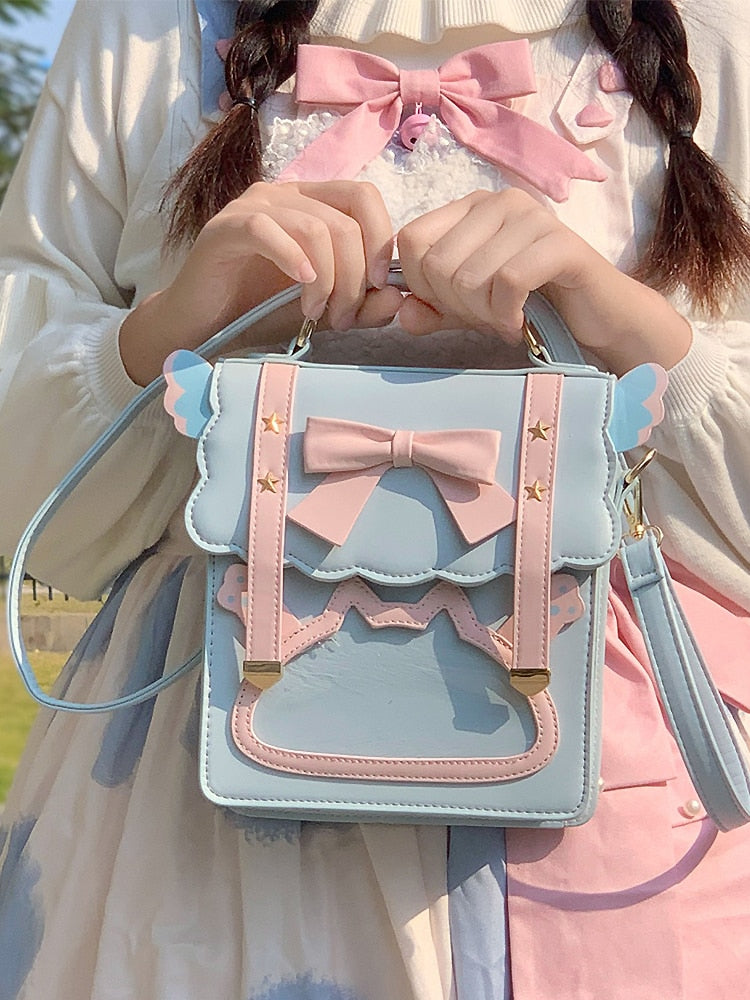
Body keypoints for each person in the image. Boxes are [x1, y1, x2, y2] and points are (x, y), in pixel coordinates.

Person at [1, 0, 749, 996]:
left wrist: (624, 324)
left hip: (614, 795)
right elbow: (26, 494)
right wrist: (177, 326)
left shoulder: (718, 25)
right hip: (195, 824)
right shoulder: (147, 25)